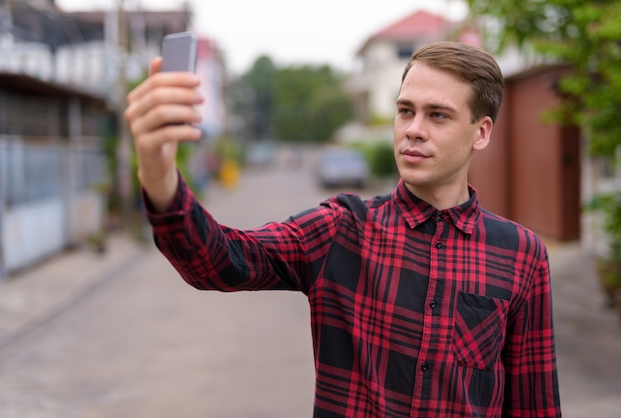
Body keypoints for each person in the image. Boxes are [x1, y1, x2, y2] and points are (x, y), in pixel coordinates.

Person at [125, 41, 561, 417]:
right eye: (405, 110)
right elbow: (221, 260)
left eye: (438, 116)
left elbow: (534, 405)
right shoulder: (342, 230)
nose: (413, 130)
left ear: (481, 133)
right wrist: (159, 173)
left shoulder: (521, 254)